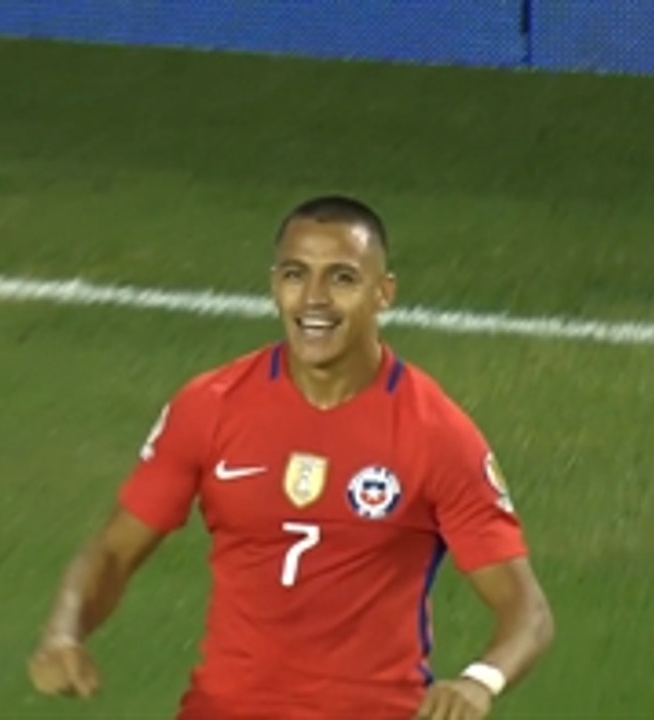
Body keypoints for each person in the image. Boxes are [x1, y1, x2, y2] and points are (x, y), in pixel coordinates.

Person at [28, 195, 555, 720]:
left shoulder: (435, 433)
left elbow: (526, 610)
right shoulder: (211, 407)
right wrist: (63, 631)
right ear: (274, 284)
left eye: (343, 278)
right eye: (296, 275)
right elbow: (115, 552)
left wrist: (479, 681)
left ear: (383, 293)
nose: (314, 300)